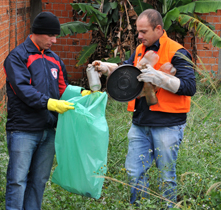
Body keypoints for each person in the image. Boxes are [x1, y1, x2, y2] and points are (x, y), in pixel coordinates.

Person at [92, 9, 196, 208]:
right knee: (134, 172)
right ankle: (139, 206)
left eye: (143, 31)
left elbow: (190, 87)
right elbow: (127, 71)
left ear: (158, 29)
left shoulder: (178, 52)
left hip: (168, 124)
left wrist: (159, 78)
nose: (139, 36)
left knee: (166, 175)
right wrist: (106, 67)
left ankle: (168, 206)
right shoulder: (140, 50)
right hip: (140, 123)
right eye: (138, 32)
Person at [3, 12, 90, 210]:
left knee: (39, 181)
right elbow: (23, 90)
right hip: (24, 129)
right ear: (37, 33)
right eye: (50, 35)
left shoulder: (55, 59)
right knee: (17, 180)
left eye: (56, 36)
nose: (54, 40)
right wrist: (50, 103)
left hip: (49, 130)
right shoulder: (17, 57)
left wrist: (80, 93)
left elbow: (63, 89)